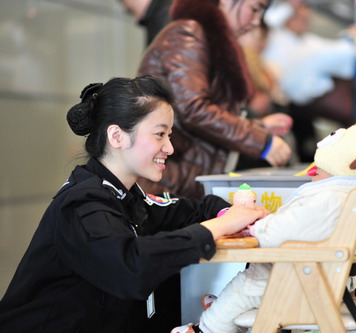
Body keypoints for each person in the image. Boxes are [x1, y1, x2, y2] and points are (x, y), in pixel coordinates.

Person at [0, 75, 268, 332]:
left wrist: (233, 213)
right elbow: (131, 265)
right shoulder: (82, 203)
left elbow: (188, 210)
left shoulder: (126, 195)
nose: (169, 148)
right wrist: (221, 226)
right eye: (160, 134)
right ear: (117, 137)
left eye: (169, 135)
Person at [171, 124, 356, 333]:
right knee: (252, 277)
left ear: (347, 164)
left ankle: (209, 327)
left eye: (320, 170)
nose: (314, 173)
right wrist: (271, 219)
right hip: (334, 278)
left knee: (246, 285)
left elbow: (283, 232)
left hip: (307, 283)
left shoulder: (330, 200)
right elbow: (303, 226)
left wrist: (257, 227)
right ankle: (225, 311)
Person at [137, 0, 292, 198]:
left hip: (179, 180)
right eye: (254, 10)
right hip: (166, 183)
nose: (255, 22)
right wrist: (260, 141)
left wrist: (257, 126)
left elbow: (200, 109)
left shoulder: (203, 37)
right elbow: (192, 109)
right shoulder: (188, 33)